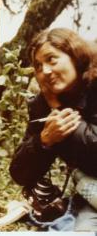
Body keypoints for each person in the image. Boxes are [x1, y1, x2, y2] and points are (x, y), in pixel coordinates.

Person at [9, 28, 97, 231]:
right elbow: (19, 173)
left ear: (75, 56)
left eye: (52, 59)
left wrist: (59, 111)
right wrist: (43, 141)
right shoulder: (42, 104)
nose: (45, 71)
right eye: (38, 66)